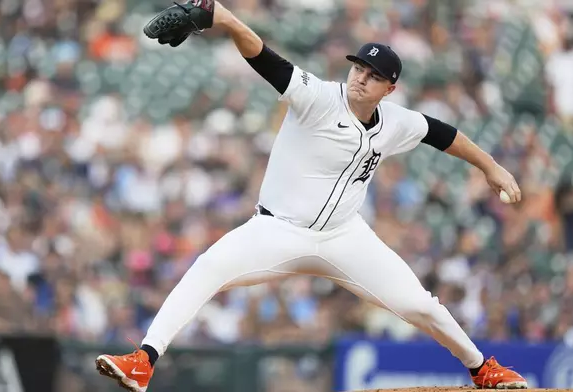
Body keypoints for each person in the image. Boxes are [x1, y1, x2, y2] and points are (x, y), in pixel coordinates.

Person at [95, 2, 527, 391]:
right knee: (208, 267)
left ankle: (482, 369)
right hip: (278, 230)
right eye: (359, 67)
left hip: (344, 237)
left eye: (374, 75)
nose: (362, 77)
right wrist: (224, 19)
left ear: (389, 88)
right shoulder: (318, 96)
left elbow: (444, 134)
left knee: (420, 305)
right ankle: (143, 361)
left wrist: (490, 166)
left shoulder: (396, 121)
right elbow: (263, 57)